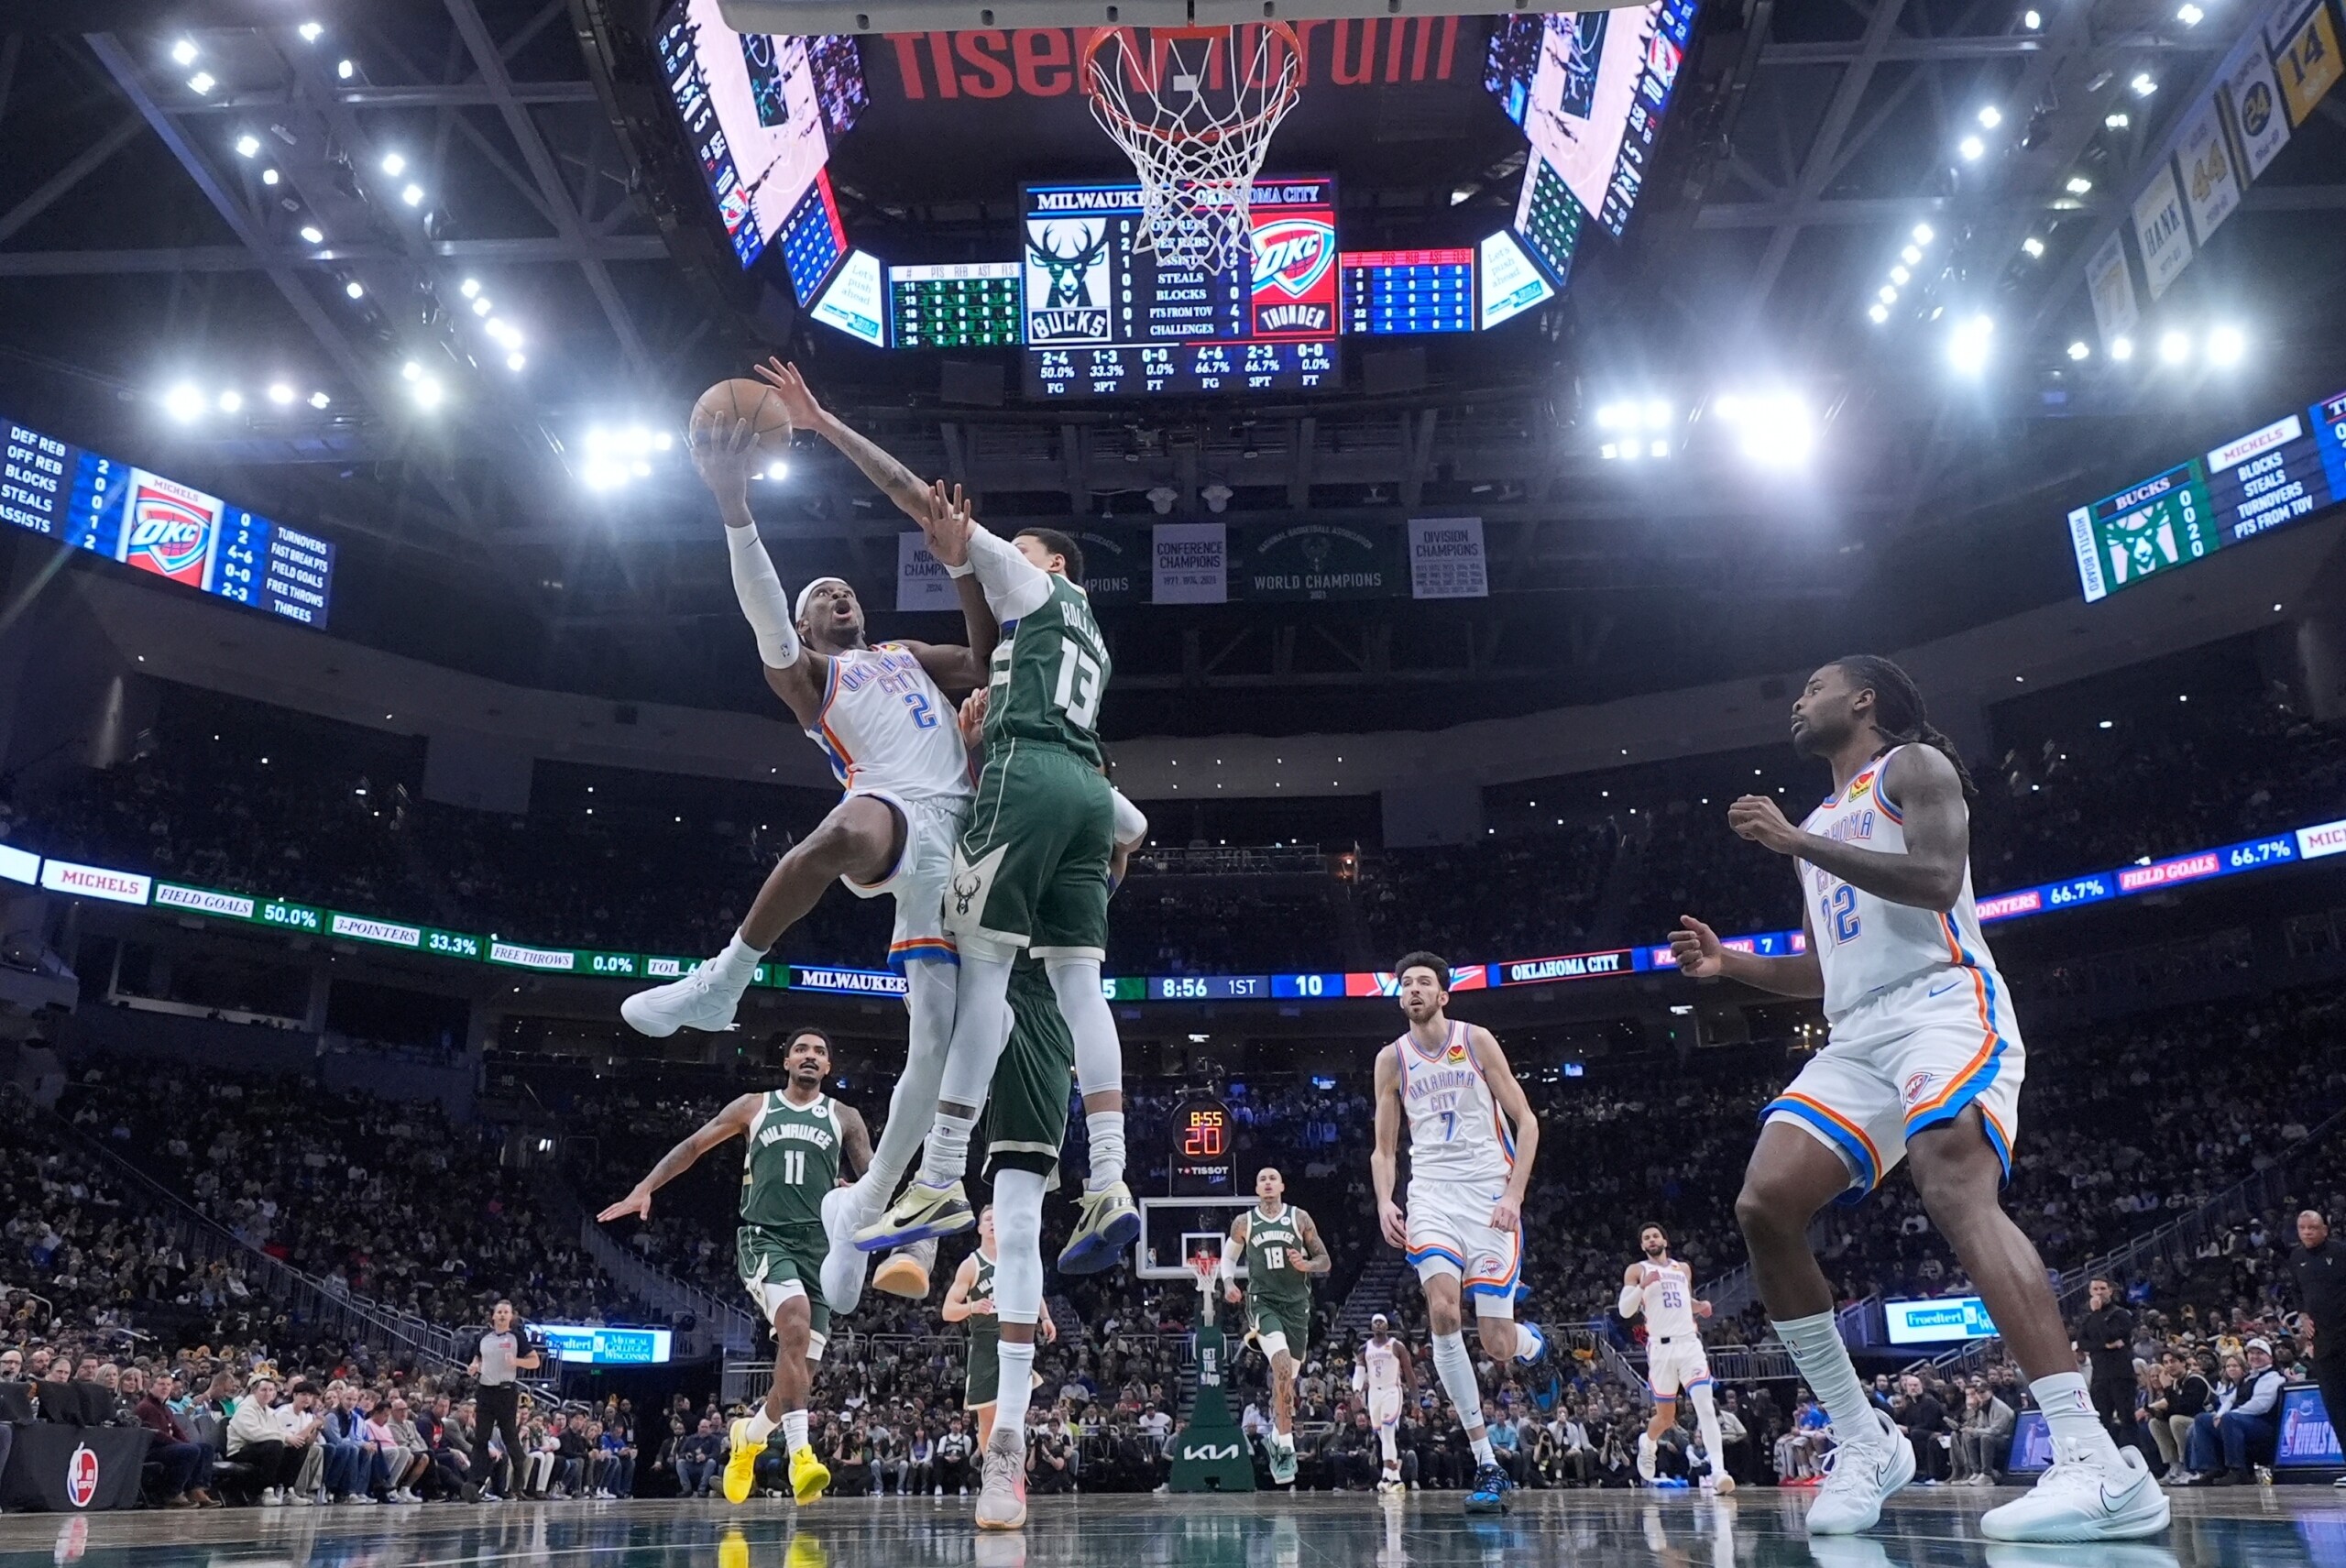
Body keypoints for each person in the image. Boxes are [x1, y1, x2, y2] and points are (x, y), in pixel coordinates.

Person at [1671, 655, 2168, 1541]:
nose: (1798, 697)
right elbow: (1832, 967)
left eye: (1814, 685)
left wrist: (1794, 843)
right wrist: (1734, 964)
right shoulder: (1821, 820)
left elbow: (1938, 881)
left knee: (1949, 1182)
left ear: (1864, 699)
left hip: (1944, 1002)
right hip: (1856, 1032)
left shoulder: (1913, 768)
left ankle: (2098, 1461)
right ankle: (1865, 1439)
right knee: (1765, 1204)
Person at [616, 364, 992, 1311]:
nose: (837, 597)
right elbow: (759, 605)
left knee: (940, 1042)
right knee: (836, 833)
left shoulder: (902, 655)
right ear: (801, 622)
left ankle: (862, 1216)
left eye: (843, 590)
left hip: (964, 840)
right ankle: (725, 978)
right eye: (820, 593)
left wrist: (960, 567)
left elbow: (989, 659)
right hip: (892, 813)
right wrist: (734, 506)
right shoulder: (812, 681)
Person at [858, 489, 1130, 1530]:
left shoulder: (1027, 737)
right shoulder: (1001, 749)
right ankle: (917, 1215)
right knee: (946, 1034)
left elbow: (1111, 830)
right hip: (1000, 965)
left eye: (1024, 555)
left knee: (1014, 1220)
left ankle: (1006, 1446)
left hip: (1014, 1002)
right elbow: (1116, 827)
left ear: (1053, 568)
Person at [598, 1026, 873, 1508]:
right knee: (793, 1326)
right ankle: (801, 1455)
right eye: (802, 1050)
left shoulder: (844, 1116)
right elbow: (693, 1147)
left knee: (798, 1373)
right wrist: (645, 1187)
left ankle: (749, 1437)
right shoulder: (754, 1106)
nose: (811, 1056)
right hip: (766, 1237)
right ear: (786, 1060)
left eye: (821, 1052)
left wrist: (860, 1195)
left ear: (829, 1067)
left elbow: (874, 1177)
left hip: (819, 1247)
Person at [1372, 951, 1551, 1515]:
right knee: (1444, 1314)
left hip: (1488, 1195)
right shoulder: (1391, 1060)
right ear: (1400, 998)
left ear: (1444, 995)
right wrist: (1385, 1200)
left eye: (1425, 982)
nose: (1415, 990)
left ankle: (1533, 1348)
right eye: (1407, 984)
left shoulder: (1476, 1042)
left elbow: (1527, 1121)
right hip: (1431, 1197)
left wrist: (1514, 1196)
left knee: (1498, 1344)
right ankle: (1487, 1465)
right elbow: (1384, 1147)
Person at [1224, 1167, 1332, 1486]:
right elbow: (1228, 1259)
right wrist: (1228, 1282)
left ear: (1282, 1185)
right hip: (1263, 1303)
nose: (1268, 1182)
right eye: (1262, 1179)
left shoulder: (1300, 1218)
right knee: (1281, 1366)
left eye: (1273, 1178)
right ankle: (1284, 1447)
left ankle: (1276, 1434)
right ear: (1257, 1188)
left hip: (1297, 1307)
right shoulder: (1245, 1222)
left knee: (1288, 1380)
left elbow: (1324, 1259)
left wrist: (1307, 1264)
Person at [1619, 1222, 1732, 1493]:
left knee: (1705, 1407)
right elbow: (1625, 1310)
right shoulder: (1637, 1270)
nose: (1651, 1240)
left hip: (1689, 1344)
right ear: (1643, 1245)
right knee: (1666, 1418)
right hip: (1660, 1348)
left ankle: (1719, 1471)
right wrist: (1641, 1287)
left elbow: (1683, 1300)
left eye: (1655, 1235)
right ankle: (1648, 1442)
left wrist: (1700, 1306)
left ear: (1665, 1240)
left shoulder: (1682, 1268)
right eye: (1646, 1238)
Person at [943, 1204, 1059, 1448]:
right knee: (988, 1419)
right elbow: (947, 1311)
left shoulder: (1015, 1259)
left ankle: (1012, 1474)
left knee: (1015, 1414)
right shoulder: (972, 1264)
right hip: (984, 1345)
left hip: (1014, 1338)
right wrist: (971, 1308)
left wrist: (1045, 1317)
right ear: (979, 1228)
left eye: (998, 1218)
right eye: (988, 1219)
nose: (993, 1223)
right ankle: (992, 1474)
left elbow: (1032, 1289)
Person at [2288, 1209, 2346, 1488]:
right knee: (2335, 1405)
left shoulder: (2340, 1252)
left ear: (2325, 1229)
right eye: (2302, 1228)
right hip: (2322, 1342)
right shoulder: (2296, 1258)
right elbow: (2297, 1293)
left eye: (2313, 1228)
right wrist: (2302, 1315)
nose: (2307, 1233)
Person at [467, 1300, 541, 1502]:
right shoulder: (483, 1337)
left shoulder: (517, 1337)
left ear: (511, 1317)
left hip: (506, 1392)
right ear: (493, 1316)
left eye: (505, 1312)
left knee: (510, 1438)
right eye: (498, 1312)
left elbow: (535, 1361)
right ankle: (475, 1483)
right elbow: (477, 1359)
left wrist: (516, 1361)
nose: (501, 1315)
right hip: (485, 1390)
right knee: (481, 1438)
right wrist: (474, 1366)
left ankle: (518, 1480)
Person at [1354, 1313, 1416, 1494]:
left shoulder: (1396, 1346)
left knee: (1388, 1433)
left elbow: (1409, 1373)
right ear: (1372, 1326)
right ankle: (1395, 1476)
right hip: (1373, 1393)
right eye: (1376, 1322)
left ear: (1387, 1326)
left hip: (1391, 1390)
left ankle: (1386, 1476)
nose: (1379, 1325)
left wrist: (1415, 1399)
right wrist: (1357, 1391)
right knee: (1381, 1435)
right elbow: (1359, 1371)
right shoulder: (1364, 1348)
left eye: (1382, 1322)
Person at [2077, 1277, 2139, 1452]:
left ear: (2110, 1291)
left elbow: (2110, 1336)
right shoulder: (2088, 1318)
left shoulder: (2120, 1314)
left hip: (2121, 1374)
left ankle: (2134, 1458)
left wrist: (2097, 1314)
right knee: (2101, 1420)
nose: (2099, 1292)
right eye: (2095, 1289)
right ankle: (2108, 1458)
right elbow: (2082, 1343)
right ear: (2090, 1292)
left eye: (2103, 1288)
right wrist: (2104, 1347)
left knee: (2126, 1417)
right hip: (2100, 1376)